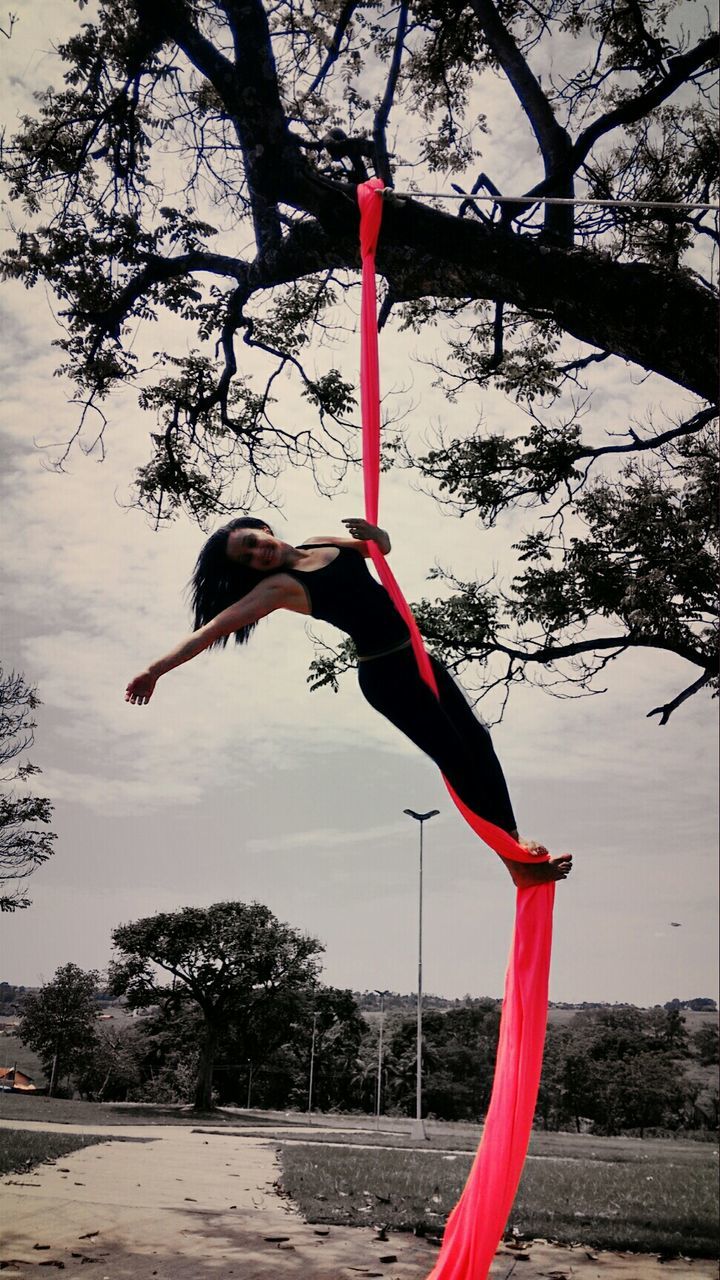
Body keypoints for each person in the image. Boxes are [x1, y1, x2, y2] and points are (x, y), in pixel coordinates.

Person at [125, 516, 572, 889]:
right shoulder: (279, 587)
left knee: (478, 741)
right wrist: (154, 671)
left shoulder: (321, 541)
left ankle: (514, 843)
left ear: (261, 527)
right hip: (386, 675)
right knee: (456, 757)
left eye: (251, 542)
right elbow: (210, 631)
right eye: (246, 558)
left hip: (416, 656)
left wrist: (377, 536)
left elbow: (379, 548)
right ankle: (516, 863)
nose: (257, 553)